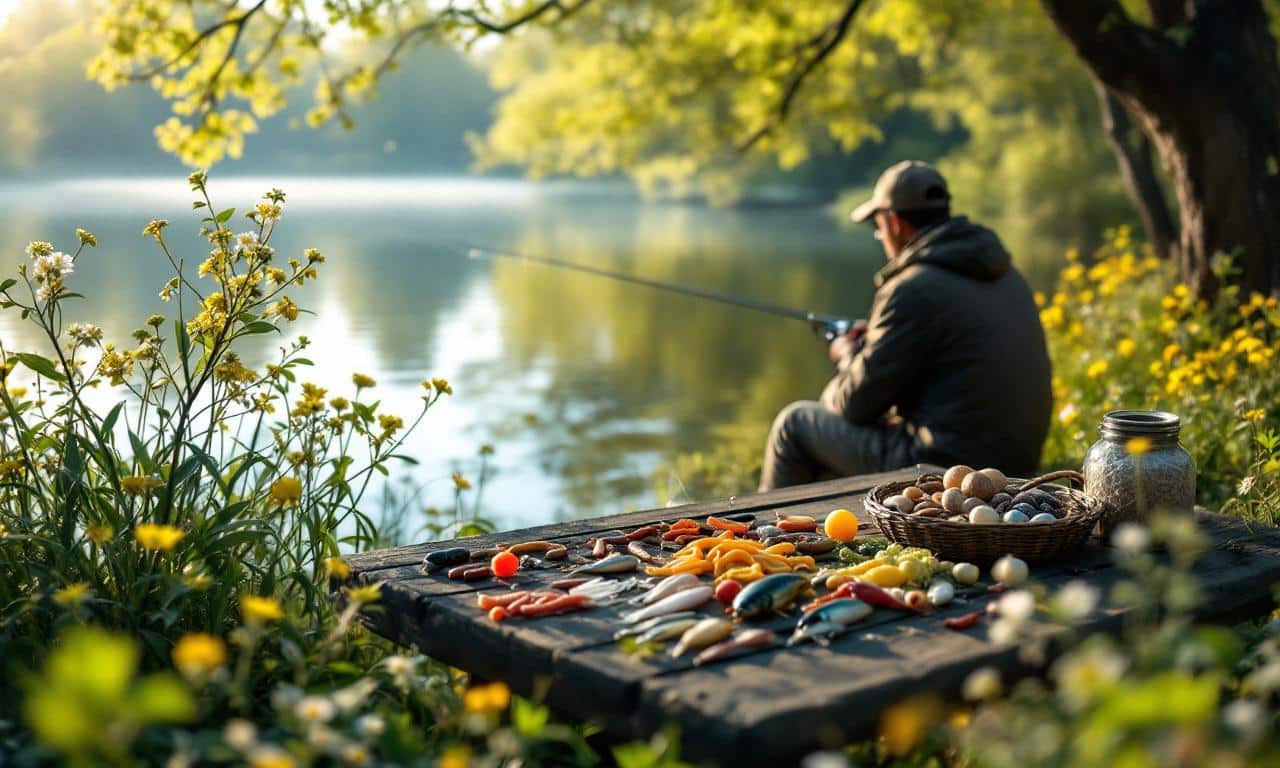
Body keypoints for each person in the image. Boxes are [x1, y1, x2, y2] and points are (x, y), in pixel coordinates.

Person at [759, 160, 1051, 491]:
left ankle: (766, 539)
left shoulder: (910, 288)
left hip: (944, 468)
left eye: (878, 226)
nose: (879, 234)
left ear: (894, 223)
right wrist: (875, 342)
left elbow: (855, 405)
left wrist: (846, 354)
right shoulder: (1007, 274)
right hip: (1016, 465)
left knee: (794, 424)